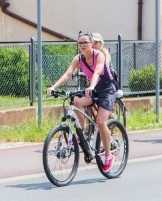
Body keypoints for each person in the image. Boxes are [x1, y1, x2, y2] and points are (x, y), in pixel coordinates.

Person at [46, 31, 118, 171]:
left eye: (85, 42)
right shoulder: (78, 59)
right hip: (92, 88)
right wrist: (53, 87)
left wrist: (91, 86)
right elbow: (68, 74)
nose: (83, 45)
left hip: (107, 89)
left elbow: (97, 72)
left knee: (101, 121)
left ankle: (109, 156)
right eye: (80, 43)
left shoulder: (100, 55)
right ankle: (82, 134)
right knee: (77, 102)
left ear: (92, 44)